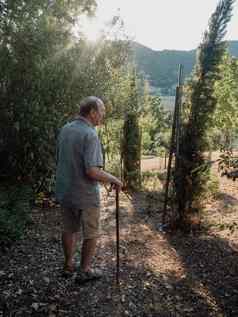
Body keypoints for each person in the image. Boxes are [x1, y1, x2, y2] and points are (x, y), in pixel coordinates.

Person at [55, 96, 123, 283]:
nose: (103, 115)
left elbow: (59, 160)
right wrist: (114, 179)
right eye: (101, 111)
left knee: (69, 229)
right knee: (92, 233)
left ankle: (68, 265)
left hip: (65, 190)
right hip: (84, 194)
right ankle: (84, 271)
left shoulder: (65, 129)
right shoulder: (90, 134)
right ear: (92, 112)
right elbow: (92, 171)